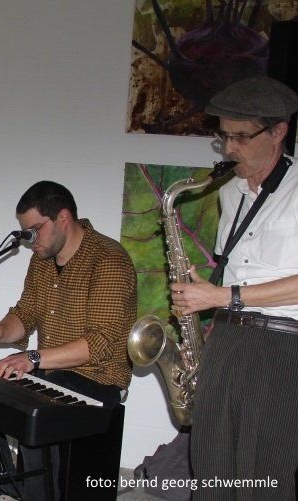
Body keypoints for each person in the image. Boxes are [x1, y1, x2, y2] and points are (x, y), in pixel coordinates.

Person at [171, 75, 298, 500]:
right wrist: (204, 309)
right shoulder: (231, 193)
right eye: (223, 136)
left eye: (241, 137)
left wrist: (226, 297)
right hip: (228, 339)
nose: (228, 149)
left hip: (282, 347)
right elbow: (233, 272)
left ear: (278, 132)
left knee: (263, 476)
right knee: (211, 466)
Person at [0, 181, 136, 499]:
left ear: (63, 217)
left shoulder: (108, 260)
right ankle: (9, 486)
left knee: (33, 406)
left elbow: (100, 343)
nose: (30, 240)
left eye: (35, 230)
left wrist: (32, 358)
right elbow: (26, 314)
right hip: (51, 372)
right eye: (25, 232)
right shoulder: (42, 260)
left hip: (98, 380)